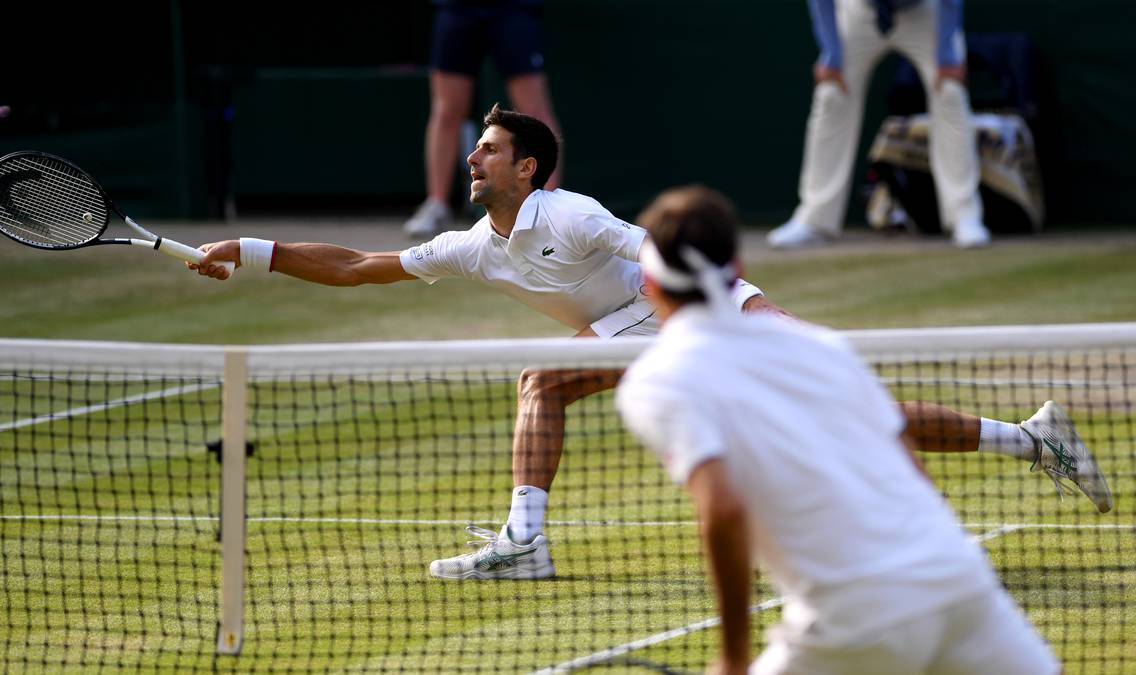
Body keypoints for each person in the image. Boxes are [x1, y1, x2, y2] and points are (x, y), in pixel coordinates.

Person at [190, 106, 1111, 583]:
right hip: (640, 334)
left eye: (488, 150)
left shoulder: (572, 212)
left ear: (528, 168)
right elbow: (355, 265)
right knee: (539, 381)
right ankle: (526, 540)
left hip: (697, 312)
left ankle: (1029, 439)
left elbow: (667, 254)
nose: (472, 160)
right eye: (474, 149)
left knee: (848, 414)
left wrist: (728, 326)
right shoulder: (471, 244)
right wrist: (253, 251)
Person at [617, 185, 1059, 674]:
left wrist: (733, 658)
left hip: (855, 618)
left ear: (650, 285)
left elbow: (722, 508)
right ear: (737, 271)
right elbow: (909, 466)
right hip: (960, 583)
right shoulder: (821, 346)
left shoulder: (657, 381)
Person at [769, 0, 992, 249]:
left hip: (924, 11)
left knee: (950, 91)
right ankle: (815, 220)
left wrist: (946, 55)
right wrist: (832, 54)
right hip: (859, 11)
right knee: (831, 93)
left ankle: (964, 216)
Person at [403, 0, 563, 239]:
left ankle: (549, 207)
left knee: (535, 111)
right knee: (446, 110)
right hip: (458, 9)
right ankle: (437, 203)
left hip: (514, 9)